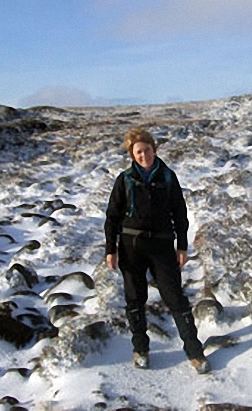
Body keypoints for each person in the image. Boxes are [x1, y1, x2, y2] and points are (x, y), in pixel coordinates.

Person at [104, 127, 211, 374]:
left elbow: (179, 213)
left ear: (154, 149)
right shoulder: (125, 179)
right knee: (135, 298)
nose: (144, 156)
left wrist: (182, 245)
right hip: (131, 246)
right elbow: (113, 216)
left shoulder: (167, 177)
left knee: (176, 298)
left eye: (147, 150)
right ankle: (140, 348)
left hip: (162, 246)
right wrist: (111, 248)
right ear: (132, 154)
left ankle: (195, 352)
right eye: (138, 152)